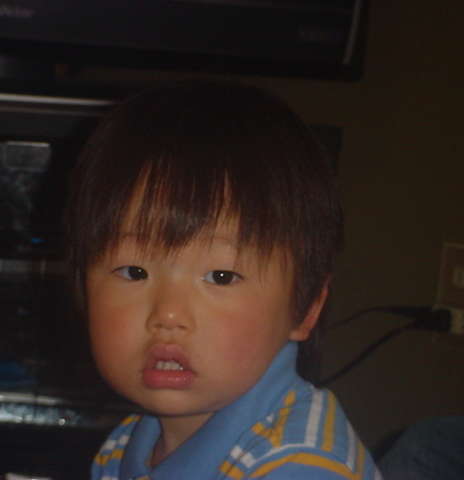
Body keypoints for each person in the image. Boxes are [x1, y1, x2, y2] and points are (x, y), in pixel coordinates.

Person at [65, 79, 381, 480]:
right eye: (134, 272)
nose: (168, 314)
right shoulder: (124, 447)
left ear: (304, 308)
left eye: (220, 276)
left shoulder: (300, 465)